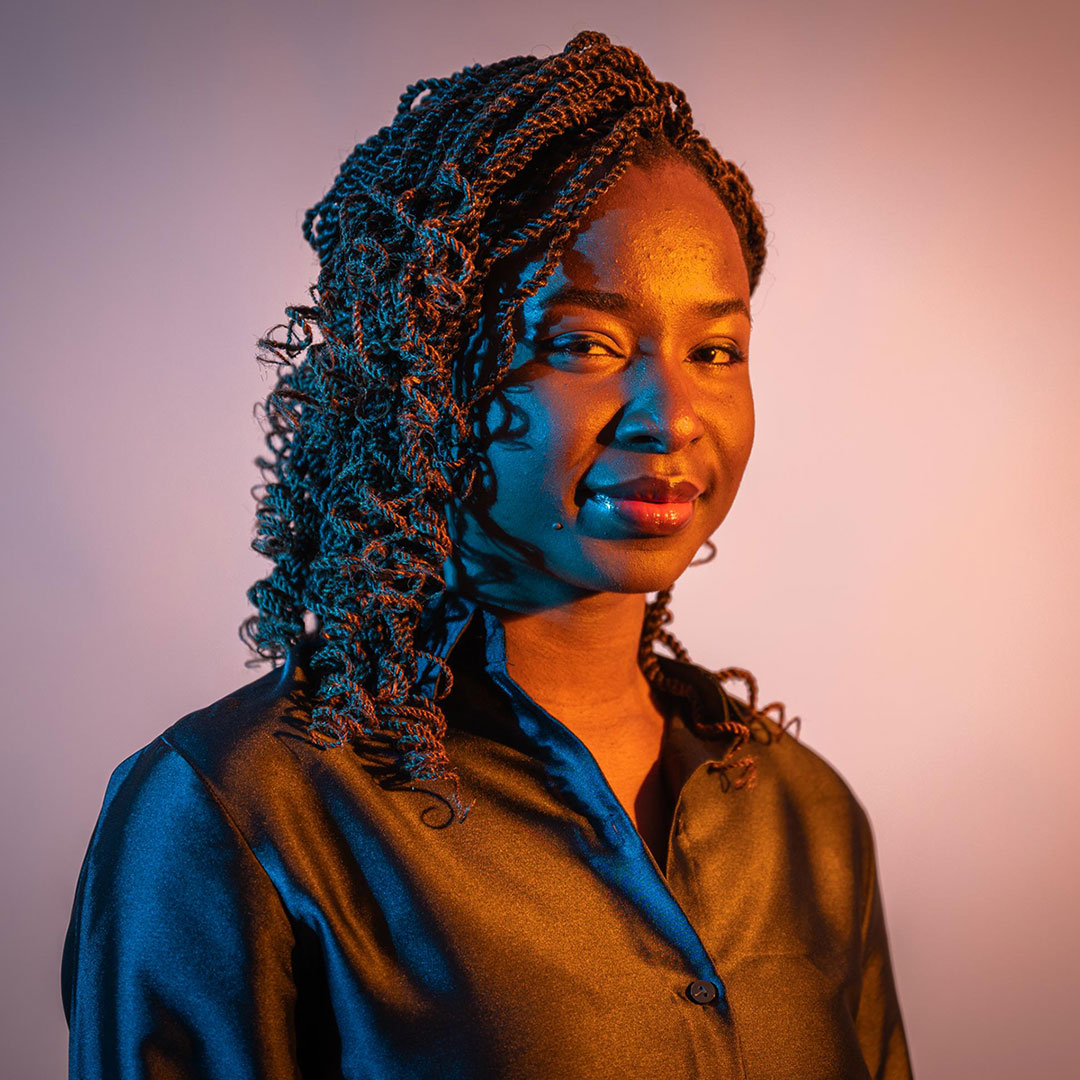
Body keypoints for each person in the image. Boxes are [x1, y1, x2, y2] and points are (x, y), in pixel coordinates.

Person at [62, 30, 912, 1079]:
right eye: (582, 345)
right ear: (423, 369)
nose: (672, 414)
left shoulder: (804, 819)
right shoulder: (236, 813)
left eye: (716, 351)